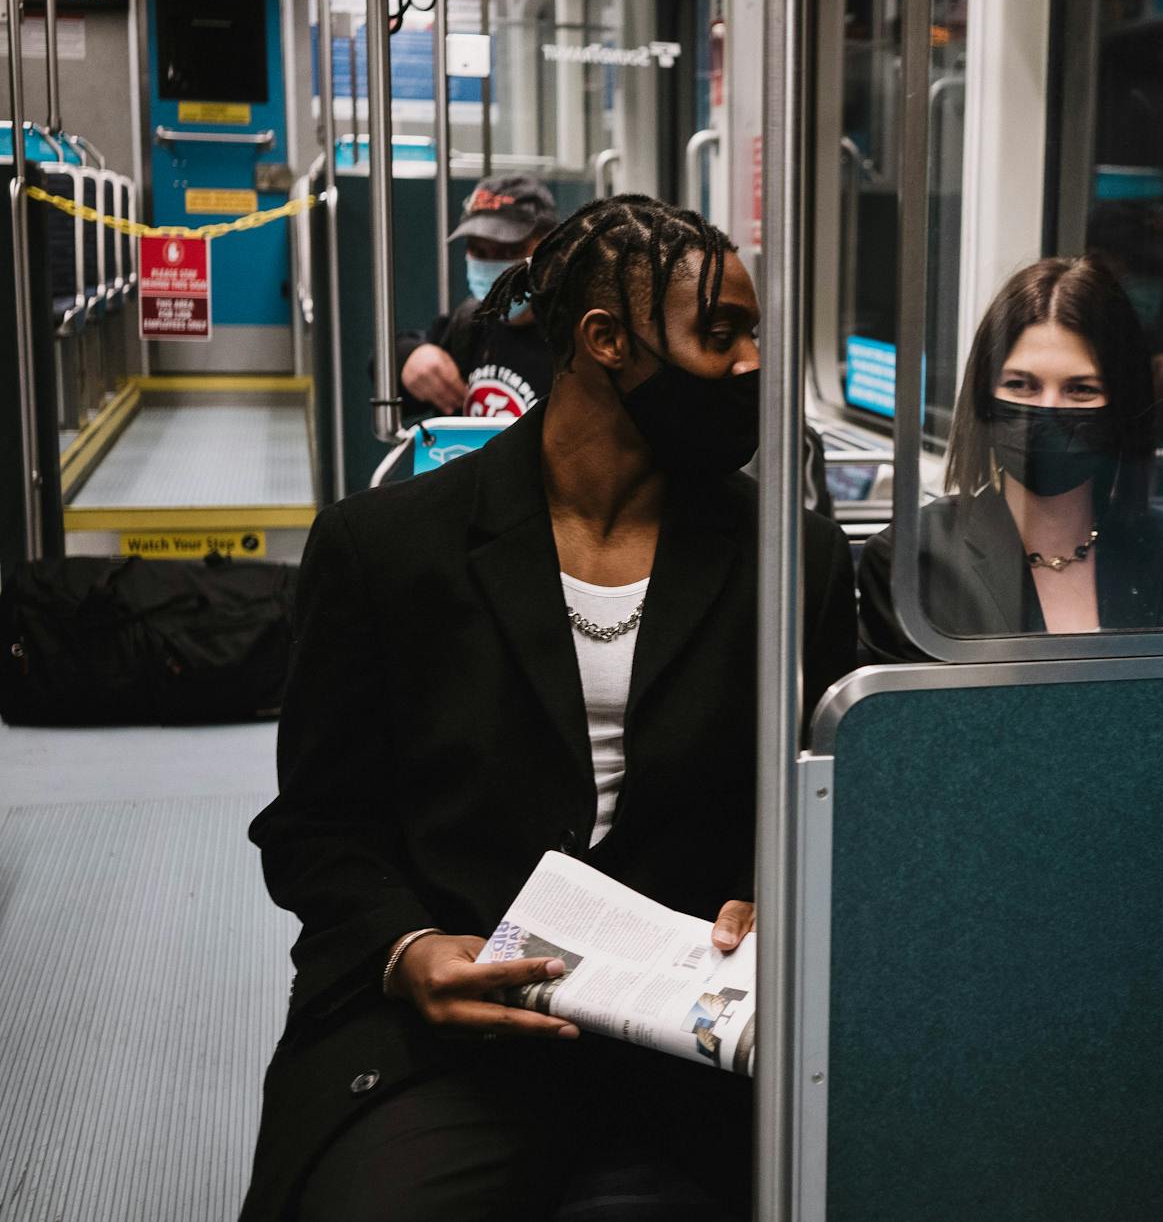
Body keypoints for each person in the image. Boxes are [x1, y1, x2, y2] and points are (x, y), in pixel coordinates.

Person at [243, 195, 857, 1219]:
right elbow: (318, 827)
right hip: (457, 1021)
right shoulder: (387, 550)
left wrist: (769, 893)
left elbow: (825, 802)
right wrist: (408, 952)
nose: (753, 363)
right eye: (719, 335)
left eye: (756, 333)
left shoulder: (792, 561)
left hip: (691, 1028)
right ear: (605, 341)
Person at [858, 256, 1163, 659]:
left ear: (1124, 406)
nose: (1047, 411)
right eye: (1021, 385)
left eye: (1080, 389)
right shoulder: (911, 561)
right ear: (984, 399)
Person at [396, 174, 561, 420]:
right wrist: (409, 356)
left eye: (510, 250)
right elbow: (385, 364)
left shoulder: (572, 339)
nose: (491, 262)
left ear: (550, 248)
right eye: (478, 249)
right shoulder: (471, 325)